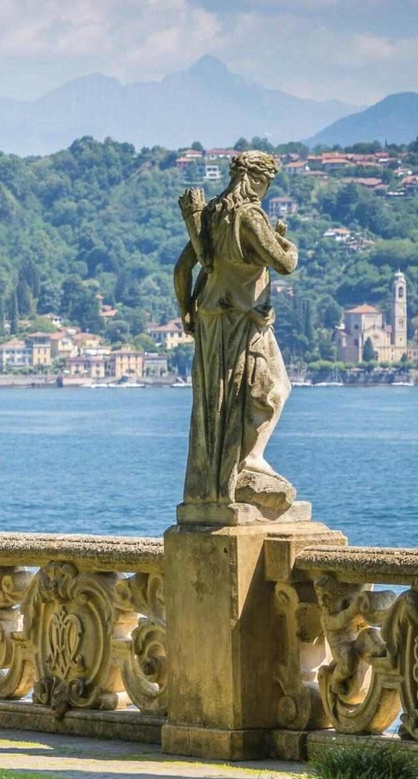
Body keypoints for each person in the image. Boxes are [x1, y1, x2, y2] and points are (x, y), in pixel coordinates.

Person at [174, 151, 300, 516]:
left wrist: (185, 310)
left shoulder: (212, 215)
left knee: (219, 400)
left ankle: (216, 480)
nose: (266, 189)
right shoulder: (249, 215)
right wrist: (286, 243)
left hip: (211, 320)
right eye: (267, 182)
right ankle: (251, 459)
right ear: (257, 179)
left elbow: (181, 269)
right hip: (245, 320)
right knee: (273, 388)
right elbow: (284, 264)